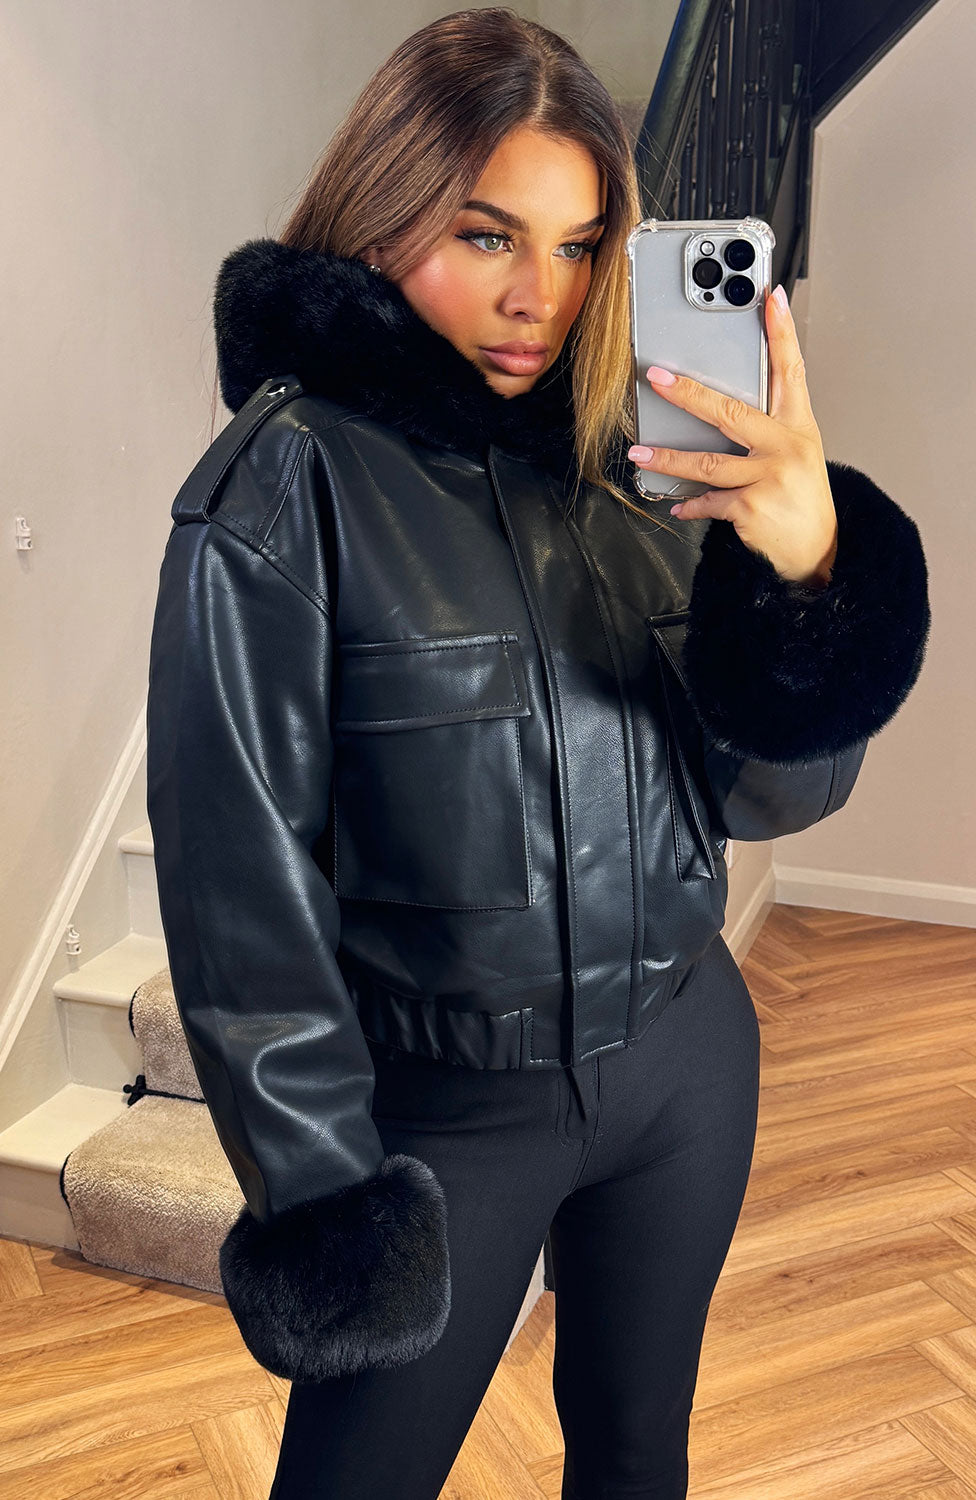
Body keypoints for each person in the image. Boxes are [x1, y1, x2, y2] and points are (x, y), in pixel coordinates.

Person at [145, 9, 930, 1498]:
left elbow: (777, 796)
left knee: (637, 1458)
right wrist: (327, 1198)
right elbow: (243, 904)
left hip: (686, 1061)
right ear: (385, 207)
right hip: (447, 1118)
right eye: (488, 235)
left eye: (579, 248)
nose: (539, 298)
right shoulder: (288, 485)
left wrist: (803, 579)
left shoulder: (638, 466)